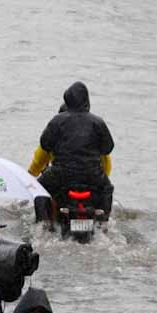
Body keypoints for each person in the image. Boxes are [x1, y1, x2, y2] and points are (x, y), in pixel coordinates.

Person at [28, 81, 113, 222]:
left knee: (39, 190)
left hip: (61, 174)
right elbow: (108, 148)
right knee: (108, 189)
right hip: (92, 175)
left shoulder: (57, 121)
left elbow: (45, 144)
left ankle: (42, 225)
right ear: (87, 101)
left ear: (68, 99)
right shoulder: (98, 122)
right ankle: (104, 222)